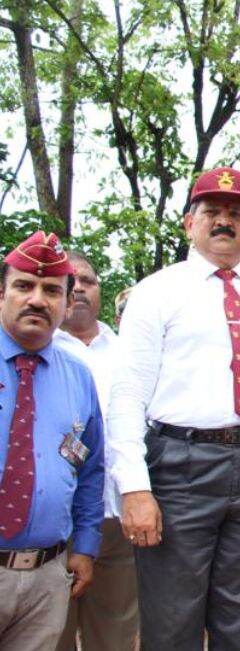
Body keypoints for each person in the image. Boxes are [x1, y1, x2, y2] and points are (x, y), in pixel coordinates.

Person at [106, 167, 240, 650]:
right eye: (212, 211)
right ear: (188, 223)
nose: (224, 221)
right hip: (181, 467)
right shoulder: (156, 293)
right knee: (173, 619)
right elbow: (127, 396)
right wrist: (134, 488)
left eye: (235, 213)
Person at [0, 232, 104, 651]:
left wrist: (86, 547)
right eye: (24, 286)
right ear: (2, 292)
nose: (38, 300)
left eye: (51, 290)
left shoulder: (78, 376)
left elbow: (91, 469)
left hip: (48, 574)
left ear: (65, 301)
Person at [54, 251, 138, 651]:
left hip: (119, 514)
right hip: (55, 521)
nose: (80, 289)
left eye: (88, 280)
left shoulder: (128, 353)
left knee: (116, 633)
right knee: (52, 633)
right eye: (70, 282)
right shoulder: (39, 351)